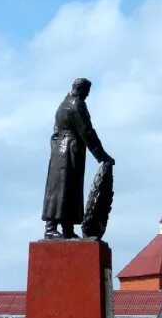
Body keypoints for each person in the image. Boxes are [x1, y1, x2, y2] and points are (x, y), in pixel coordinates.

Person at [42, 78, 115, 239]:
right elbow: (87, 131)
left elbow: (55, 131)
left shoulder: (63, 104)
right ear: (81, 90)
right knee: (67, 188)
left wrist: (55, 148)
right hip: (70, 150)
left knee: (62, 189)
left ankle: (65, 228)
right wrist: (102, 156)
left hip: (58, 151)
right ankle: (52, 228)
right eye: (87, 91)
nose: (88, 95)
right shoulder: (77, 104)